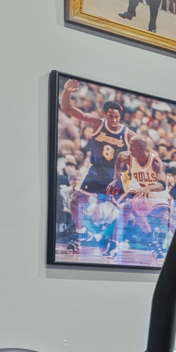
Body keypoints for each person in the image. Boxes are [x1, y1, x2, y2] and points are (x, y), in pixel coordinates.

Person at [58, 78, 131, 255]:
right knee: (76, 201)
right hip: (96, 170)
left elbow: (146, 149)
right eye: (111, 116)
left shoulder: (128, 133)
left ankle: (114, 242)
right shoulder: (97, 123)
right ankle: (82, 235)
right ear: (105, 114)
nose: (114, 120)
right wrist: (67, 92)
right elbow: (68, 109)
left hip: (116, 175)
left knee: (127, 209)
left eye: (117, 116)